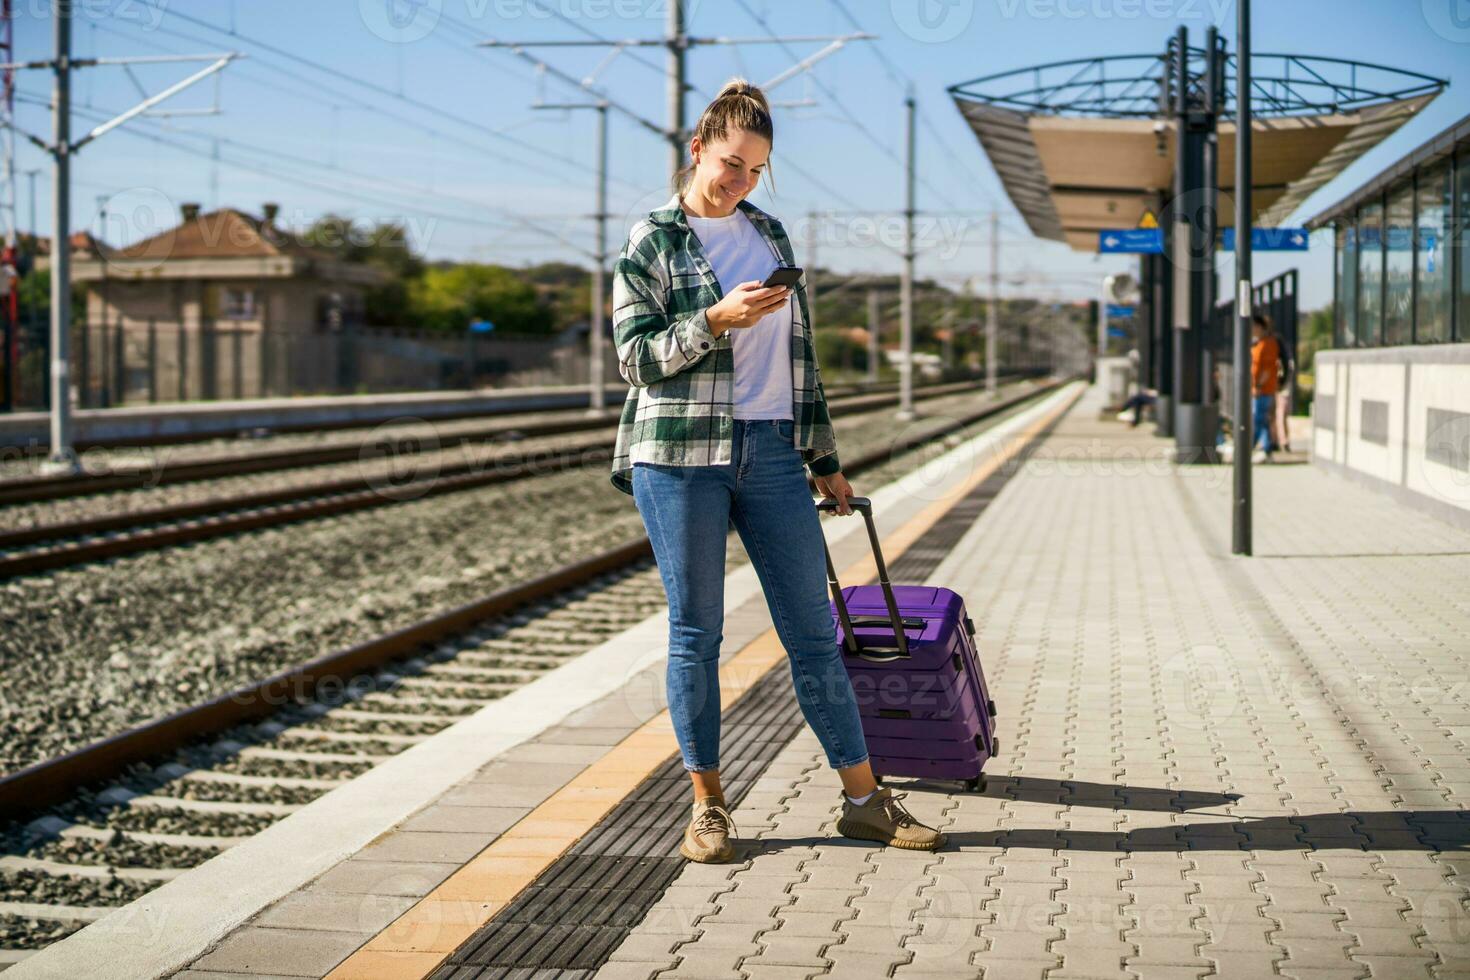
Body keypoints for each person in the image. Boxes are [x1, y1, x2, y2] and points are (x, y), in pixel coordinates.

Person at [608, 78, 946, 864]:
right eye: (731, 164)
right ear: (697, 151)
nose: (741, 182)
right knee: (697, 635)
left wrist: (826, 461)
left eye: (755, 170)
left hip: (770, 453)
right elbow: (636, 361)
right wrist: (714, 321)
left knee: (813, 637)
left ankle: (866, 801)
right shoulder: (651, 239)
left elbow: (804, 362)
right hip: (680, 456)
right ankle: (709, 808)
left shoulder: (769, 234)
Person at [1249, 312, 1280, 463]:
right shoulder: (1259, 344)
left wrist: (1258, 386)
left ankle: (1261, 448)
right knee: (1260, 419)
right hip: (1258, 388)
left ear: (1260, 327)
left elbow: (1267, 369)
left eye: (1254, 326)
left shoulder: (1268, 344)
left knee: (1259, 418)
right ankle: (1264, 449)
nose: (1252, 330)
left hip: (1263, 389)